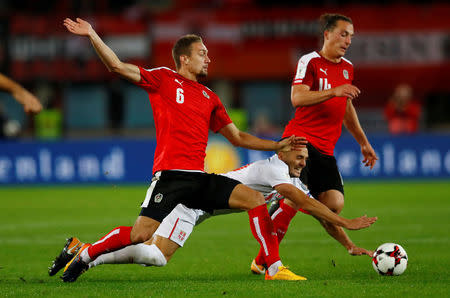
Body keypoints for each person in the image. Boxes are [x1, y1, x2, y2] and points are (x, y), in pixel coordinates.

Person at [58, 17, 307, 282]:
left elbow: (236, 137)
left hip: (199, 179)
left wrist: (276, 145)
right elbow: (116, 66)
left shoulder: (209, 97)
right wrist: (93, 34)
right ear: (184, 59)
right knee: (140, 235)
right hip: (171, 177)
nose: (208, 59)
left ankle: (273, 268)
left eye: (208, 54)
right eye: (202, 53)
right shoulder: (164, 79)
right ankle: (85, 255)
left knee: (255, 200)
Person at [49, 148, 377, 276]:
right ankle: (272, 266)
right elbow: (308, 204)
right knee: (154, 254)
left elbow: (315, 209)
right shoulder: (275, 170)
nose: (303, 163)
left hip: (199, 207)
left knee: (156, 255)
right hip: (193, 201)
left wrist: (347, 243)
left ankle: (81, 250)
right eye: (299, 157)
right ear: (285, 151)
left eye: (306, 159)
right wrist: (346, 220)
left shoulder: (284, 175)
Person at [280, 13, 378, 257]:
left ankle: (284, 205)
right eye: (343, 34)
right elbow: (297, 97)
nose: (348, 41)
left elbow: (346, 107)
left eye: (351, 36)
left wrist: (363, 142)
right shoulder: (310, 61)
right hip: (301, 140)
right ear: (327, 34)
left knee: (333, 204)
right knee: (297, 197)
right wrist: (334, 91)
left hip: (325, 148)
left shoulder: (347, 69)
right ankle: (266, 258)